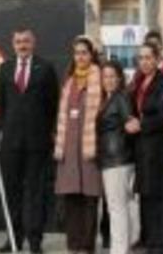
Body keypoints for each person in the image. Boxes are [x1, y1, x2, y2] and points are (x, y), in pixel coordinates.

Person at [0, 28, 59, 254]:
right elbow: (0, 104)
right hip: (11, 143)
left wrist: (47, 131)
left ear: (34, 43)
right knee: (12, 191)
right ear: (13, 44)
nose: (22, 45)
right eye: (18, 41)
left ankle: (34, 241)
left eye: (26, 41)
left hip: (37, 142)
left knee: (35, 192)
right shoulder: (5, 69)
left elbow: (53, 104)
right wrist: (6, 129)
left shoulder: (46, 69)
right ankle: (14, 238)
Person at [54, 36, 103, 254]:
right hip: (69, 149)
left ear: (91, 55)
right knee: (71, 200)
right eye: (77, 53)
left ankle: (87, 246)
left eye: (84, 52)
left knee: (89, 201)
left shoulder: (100, 79)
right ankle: (73, 245)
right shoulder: (69, 81)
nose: (80, 57)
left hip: (90, 149)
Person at [129, 42, 163, 253]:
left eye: (148, 57)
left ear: (157, 59)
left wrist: (141, 124)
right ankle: (146, 237)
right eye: (141, 58)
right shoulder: (138, 82)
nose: (144, 62)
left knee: (156, 194)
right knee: (144, 194)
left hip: (158, 146)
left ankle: (159, 242)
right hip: (141, 147)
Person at [97, 60, 137, 254]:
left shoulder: (120, 97)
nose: (108, 80)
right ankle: (124, 247)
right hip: (115, 159)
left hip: (117, 160)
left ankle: (119, 250)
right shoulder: (110, 98)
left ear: (119, 78)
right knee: (123, 206)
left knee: (117, 208)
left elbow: (131, 122)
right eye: (105, 76)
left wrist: (133, 124)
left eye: (112, 76)